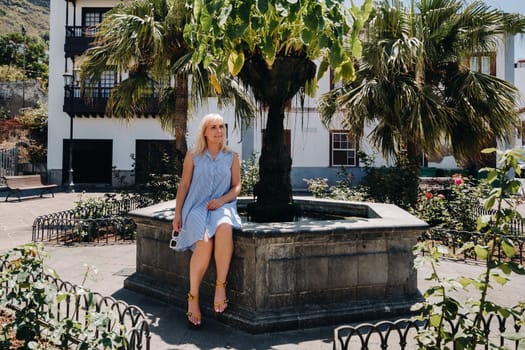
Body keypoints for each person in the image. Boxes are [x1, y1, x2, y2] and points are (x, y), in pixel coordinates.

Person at [171, 113, 242, 328]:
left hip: (222, 205)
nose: (219, 131)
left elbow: (237, 186)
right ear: (204, 131)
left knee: (224, 227)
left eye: (221, 126)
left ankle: (220, 285)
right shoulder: (193, 156)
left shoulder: (232, 156)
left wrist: (222, 200)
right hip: (196, 206)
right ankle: (193, 297)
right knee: (203, 243)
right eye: (213, 127)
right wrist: (178, 213)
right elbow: (184, 185)